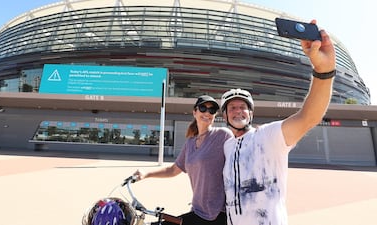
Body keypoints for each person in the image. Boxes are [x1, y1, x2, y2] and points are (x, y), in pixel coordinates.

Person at [221, 20, 336, 225]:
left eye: (242, 107)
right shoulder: (227, 146)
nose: (238, 111)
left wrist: (324, 72)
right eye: (232, 108)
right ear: (225, 116)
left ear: (251, 113)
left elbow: (308, 117)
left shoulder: (268, 136)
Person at [133, 95, 234, 225]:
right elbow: (173, 169)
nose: (207, 113)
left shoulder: (222, 135)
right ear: (195, 112)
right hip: (198, 210)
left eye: (212, 110)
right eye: (203, 108)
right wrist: (146, 174)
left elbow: (239, 158)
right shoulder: (190, 142)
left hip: (217, 213)